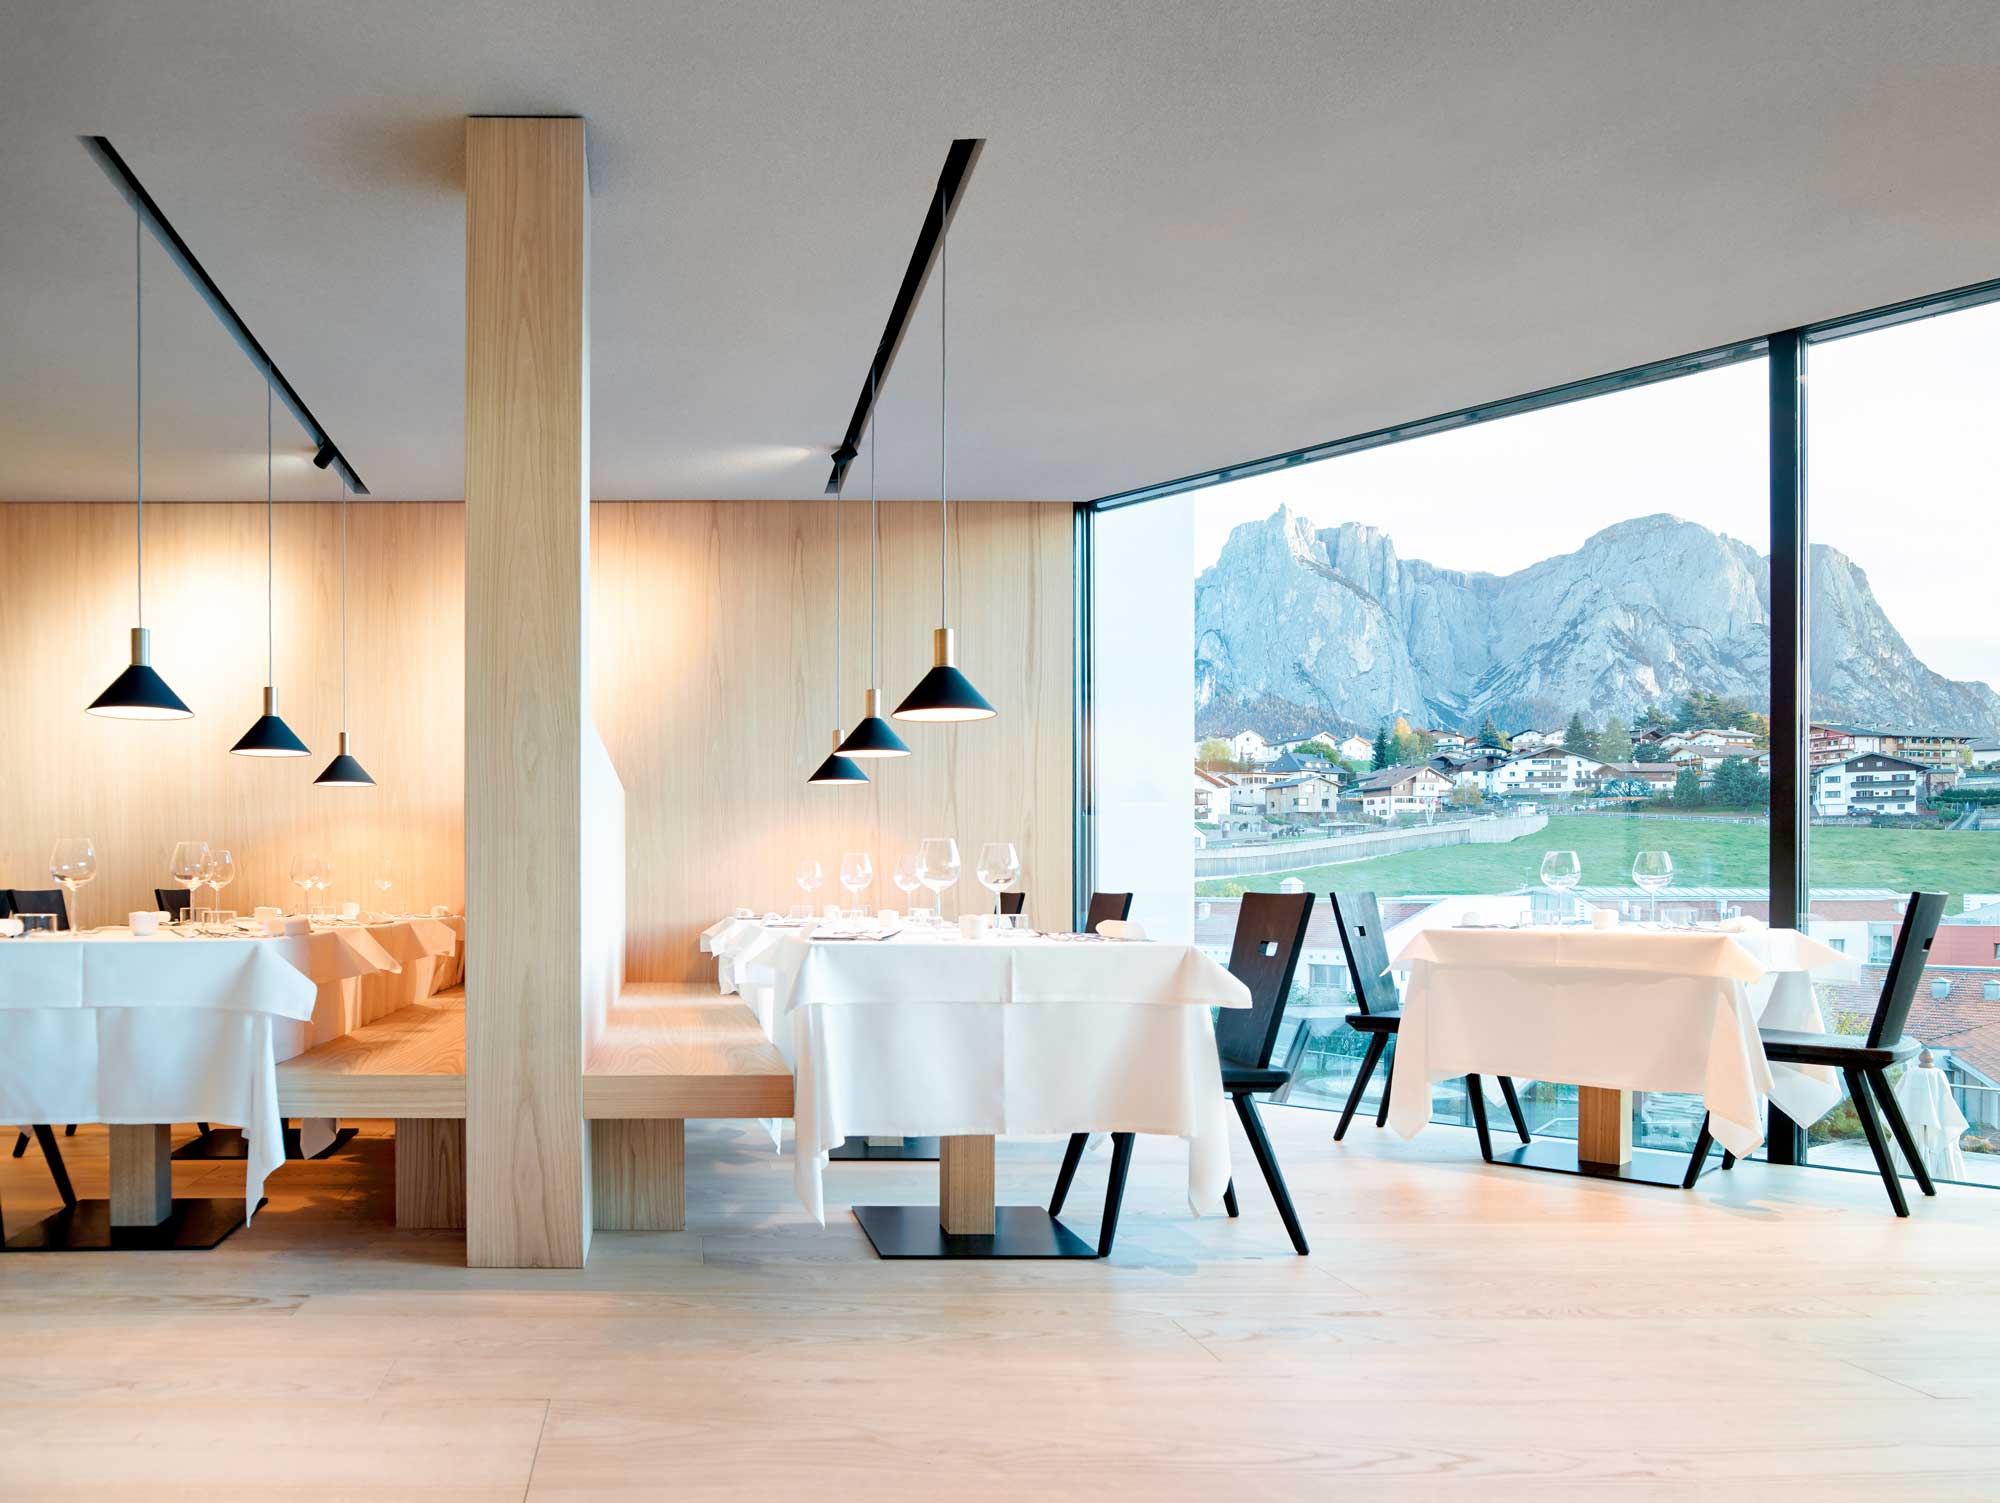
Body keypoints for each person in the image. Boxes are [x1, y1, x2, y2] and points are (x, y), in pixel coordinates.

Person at [1890, 1049, 1968, 1182]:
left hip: (1915, 1122)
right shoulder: (1933, 1074)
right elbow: (1944, 1098)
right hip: (1918, 1123)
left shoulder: (1916, 1073)